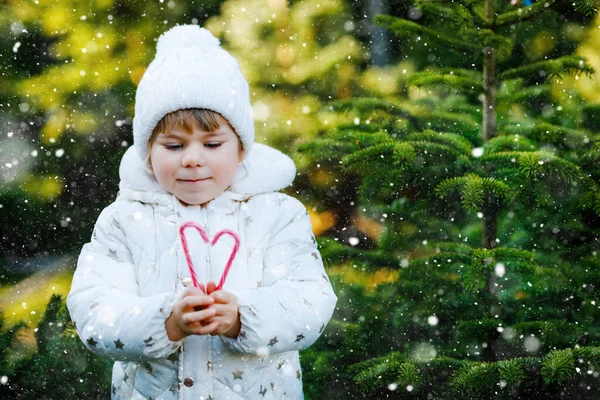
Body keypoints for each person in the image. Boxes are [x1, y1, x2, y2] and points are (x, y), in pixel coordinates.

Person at [67, 24, 337, 400]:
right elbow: (94, 310)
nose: (193, 159)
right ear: (147, 152)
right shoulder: (123, 221)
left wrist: (243, 317)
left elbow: (310, 301)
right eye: (174, 145)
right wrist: (167, 322)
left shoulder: (277, 215)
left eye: (212, 143)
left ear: (241, 149)